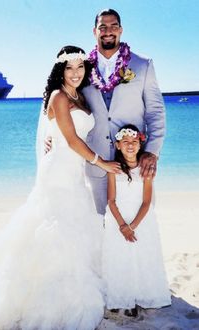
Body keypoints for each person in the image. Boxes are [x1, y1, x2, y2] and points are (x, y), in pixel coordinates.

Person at [0, 46, 120, 330]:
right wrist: (103, 164)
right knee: (55, 228)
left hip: (74, 172)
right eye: (69, 68)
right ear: (60, 70)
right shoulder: (60, 97)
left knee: (75, 228)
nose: (75, 73)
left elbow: (68, 134)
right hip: (60, 170)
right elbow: (71, 140)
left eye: (80, 67)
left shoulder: (80, 95)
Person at [82, 9, 166, 215]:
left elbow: (155, 111)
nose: (108, 31)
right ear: (95, 31)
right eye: (103, 27)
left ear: (121, 30)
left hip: (136, 160)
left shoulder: (142, 64)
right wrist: (52, 136)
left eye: (113, 26)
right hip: (97, 162)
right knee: (100, 225)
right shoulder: (81, 68)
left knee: (139, 223)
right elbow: (65, 103)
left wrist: (152, 152)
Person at [102, 124, 171, 316]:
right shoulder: (113, 169)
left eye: (134, 142)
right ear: (117, 145)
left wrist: (132, 226)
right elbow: (111, 200)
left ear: (140, 144)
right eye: (125, 142)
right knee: (119, 257)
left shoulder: (145, 168)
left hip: (141, 219)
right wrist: (123, 226)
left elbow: (147, 202)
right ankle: (121, 297)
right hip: (118, 218)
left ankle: (141, 294)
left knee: (141, 256)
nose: (130, 146)